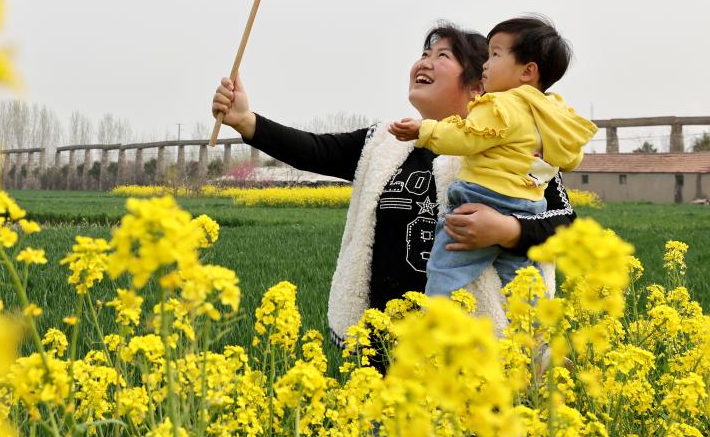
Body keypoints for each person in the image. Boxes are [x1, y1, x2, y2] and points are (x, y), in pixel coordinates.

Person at [211, 21, 578, 345]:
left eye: (443, 56)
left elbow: (563, 222)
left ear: (477, 85)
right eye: (424, 53)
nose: (424, 62)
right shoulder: (386, 144)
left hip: (472, 354)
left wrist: (506, 230)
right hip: (385, 349)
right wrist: (246, 121)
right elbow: (316, 150)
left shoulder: (513, 155)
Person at [389, 17, 597, 297]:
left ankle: (438, 319)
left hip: (481, 199)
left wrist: (424, 130)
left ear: (527, 72)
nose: (485, 65)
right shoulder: (553, 114)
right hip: (528, 207)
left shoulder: (500, 104)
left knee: (445, 270)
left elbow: (466, 137)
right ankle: (532, 331)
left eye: (495, 55)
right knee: (523, 281)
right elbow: (568, 159)